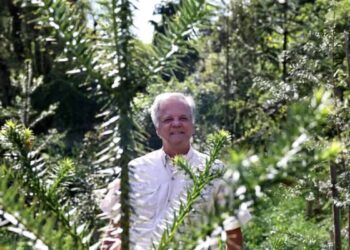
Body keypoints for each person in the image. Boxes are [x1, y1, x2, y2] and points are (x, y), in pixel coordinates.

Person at [100, 92, 251, 249]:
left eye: (183, 118)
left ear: (193, 125)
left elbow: (233, 232)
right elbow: (114, 228)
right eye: (168, 119)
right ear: (157, 128)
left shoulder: (215, 171)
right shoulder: (135, 170)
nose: (176, 123)